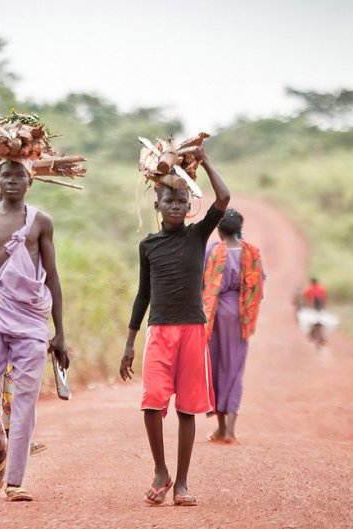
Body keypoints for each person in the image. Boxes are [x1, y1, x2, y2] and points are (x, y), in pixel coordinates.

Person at [120, 144, 230, 507]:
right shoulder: (148, 245)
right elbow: (142, 295)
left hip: (192, 331)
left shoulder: (197, 236)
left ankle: (182, 483)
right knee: (152, 402)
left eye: (181, 200)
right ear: (157, 206)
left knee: (187, 409)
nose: (175, 205)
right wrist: (130, 342)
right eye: (168, 200)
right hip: (160, 331)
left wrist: (205, 158)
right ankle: (160, 470)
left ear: (189, 205)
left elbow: (224, 197)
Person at [0, 159, 68, 502]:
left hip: (31, 319)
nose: (11, 181)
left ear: (29, 181)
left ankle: (16, 481)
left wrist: (60, 332)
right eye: (5, 175)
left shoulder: (40, 222)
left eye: (19, 175)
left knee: (24, 401)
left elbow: (51, 275)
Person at [202, 208, 265, 445]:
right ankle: (230, 431)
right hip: (240, 315)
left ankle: (219, 428)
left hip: (216, 314)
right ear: (240, 228)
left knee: (216, 365)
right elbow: (259, 285)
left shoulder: (213, 251)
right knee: (235, 368)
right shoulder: (252, 252)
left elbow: (203, 283)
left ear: (218, 229)